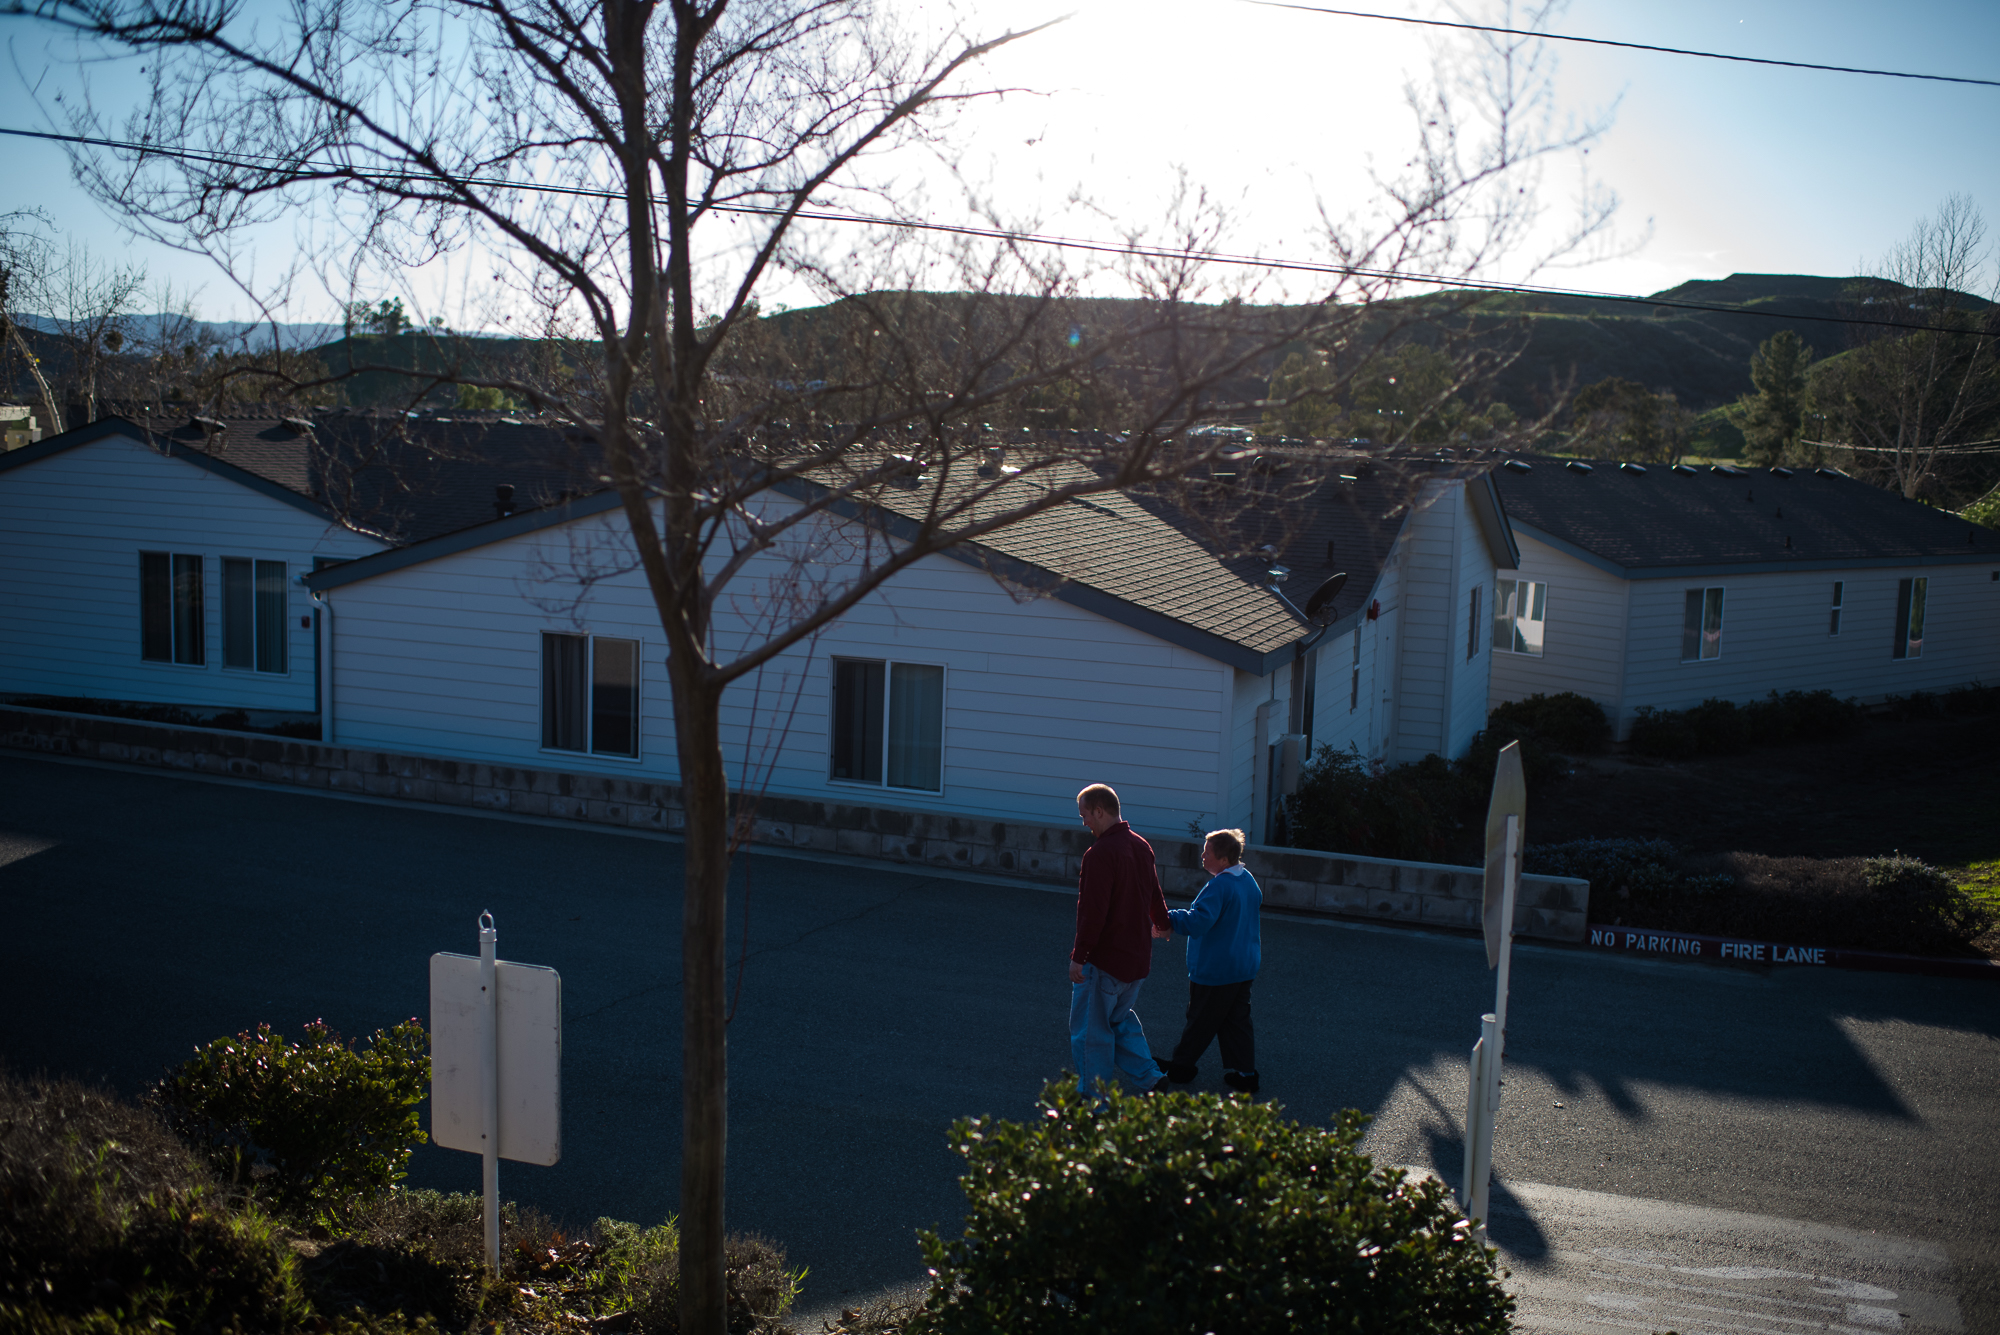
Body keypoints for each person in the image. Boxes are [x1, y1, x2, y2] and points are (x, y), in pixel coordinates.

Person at [1069, 782, 1174, 1098]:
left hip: (1106, 961)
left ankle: (1092, 1103)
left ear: (1099, 811)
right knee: (1118, 1021)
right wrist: (1163, 923)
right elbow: (1154, 893)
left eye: (1085, 814)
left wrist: (1080, 955)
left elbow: (1093, 911)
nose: (1083, 822)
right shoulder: (1141, 846)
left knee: (1091, 1035)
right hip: (1137, 961)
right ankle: (1150, 1078)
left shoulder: (1100, 854)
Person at [1161, 828, 1262, 1094]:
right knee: (1236, 1020)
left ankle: (1181, 1067)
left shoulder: (1220, 885)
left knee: (1201, 1018)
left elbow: (1198, 921)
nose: (1202, 857)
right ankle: (1246, 1072)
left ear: (1225, 860)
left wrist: (1168, 918)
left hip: (1217, 968)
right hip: (1244, 965)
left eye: (1207, 853)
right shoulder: (1247, 880)